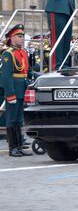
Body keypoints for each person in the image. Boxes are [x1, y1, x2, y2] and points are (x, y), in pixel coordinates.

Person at [1, 25, 33, 157]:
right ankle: (12, 147)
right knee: (11, 118)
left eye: (22, 36)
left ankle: (19, 146)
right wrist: (10, 94)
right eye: (19, 36)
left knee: (19, 119)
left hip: (23, 88)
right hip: (14, 89)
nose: (21, 39)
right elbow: (6, 76)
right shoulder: (8, 53)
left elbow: (28, 71)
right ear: (11, 38)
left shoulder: (23, 52)